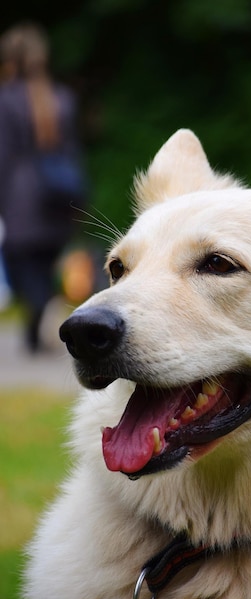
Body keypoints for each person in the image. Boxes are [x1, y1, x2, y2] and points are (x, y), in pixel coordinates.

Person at [0, 22, 85, 352]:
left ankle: (45, 305)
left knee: (25, 267)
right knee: (48, 264)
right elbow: (72, 151)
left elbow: (3, 154)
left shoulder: (6, 99)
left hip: (22, 198)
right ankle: (35, 335)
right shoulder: (61, 96)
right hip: (59, 194)